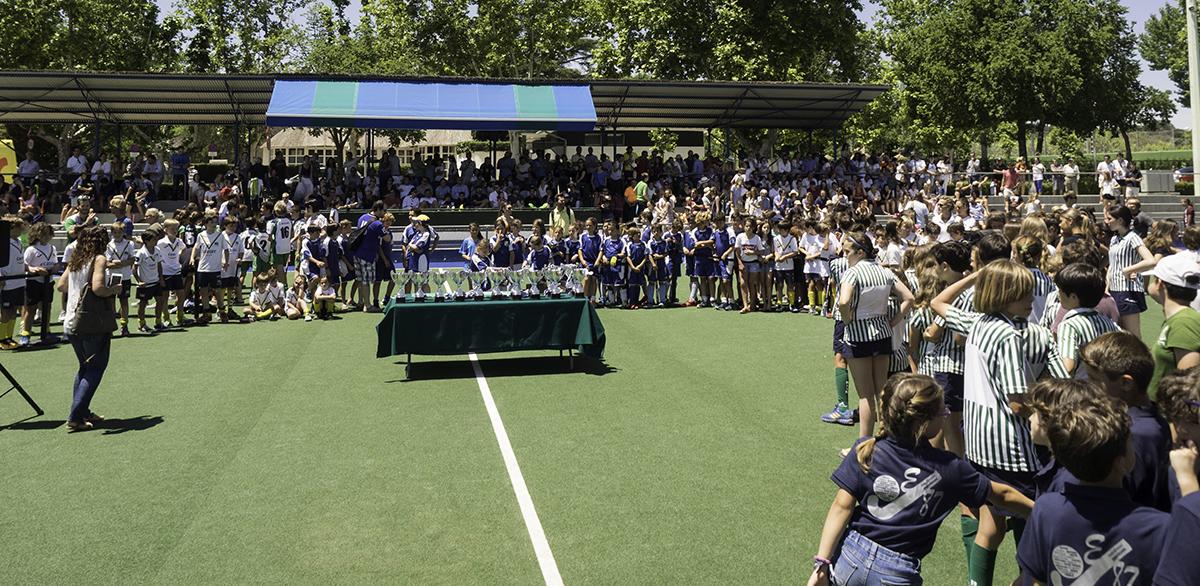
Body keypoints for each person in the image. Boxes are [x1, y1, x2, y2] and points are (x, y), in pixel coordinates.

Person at [806, 374, 1033, 586]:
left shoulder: (867, 449)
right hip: (897, 572)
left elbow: (841, 506)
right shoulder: (950, 468)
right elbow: (1002, 495)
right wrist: (1038, 510)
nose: (946, 415)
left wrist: (821, 564)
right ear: (924, 422)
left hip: (850, 557)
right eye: (942, 412)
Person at [930, 260, 1068, 586]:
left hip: (979, 443)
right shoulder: (1011, 335)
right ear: (1004, 294)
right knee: (1029, 524)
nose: (1031, 300)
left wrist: (975, 276)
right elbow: (1018, 402)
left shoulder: (977, 323)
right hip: (1014, 450)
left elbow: (938, 302)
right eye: (1024, 294)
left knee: (989, 525)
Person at [1016, 392, 1170, 585]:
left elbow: (1035, 580)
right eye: (1131, 441)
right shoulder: (1158, 527)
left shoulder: (1046, 510)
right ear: (1122, 462)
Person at [1080, 331, 1173, 512]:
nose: (1086, 384)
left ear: (1126, 384)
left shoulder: (1133, 433)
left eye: (1093, 379)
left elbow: (1121, 500)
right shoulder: (1153, 418)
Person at [838, 231, 915, 439]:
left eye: (847, 252)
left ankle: (864, 443)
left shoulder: (852, 273)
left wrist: (847, 319)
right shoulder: (885, 272)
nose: (845, 256)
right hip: (882, 333)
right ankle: (886, 438)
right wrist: (893, 320)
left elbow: (843, 302)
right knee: (882, 390)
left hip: (857, 336)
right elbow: (908, 297)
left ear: (860, 252)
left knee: (865, 395)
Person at [56, 226, 119, 432]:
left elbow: (61, 286)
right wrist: (114, 289)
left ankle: (82, 411)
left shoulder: (76, 257)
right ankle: (75, 416)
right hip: (90, 322)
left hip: (71, 321)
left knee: (84, 367)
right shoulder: (99, 258)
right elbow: (98, 288)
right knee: (95, 368)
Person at [1153, 366, 1200, 583]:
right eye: (1176, 419)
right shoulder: (1180, 464)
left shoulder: (1182, 471)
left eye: (1192, 422)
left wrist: (1188, 481)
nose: (1180, 430)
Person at [1144, 253, 1200, 395]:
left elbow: (1186, 386)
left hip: (1166, 413)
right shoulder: (1179, 318)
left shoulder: (1185, 323)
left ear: (1160, 284)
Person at [1053, 263, 1118, 377]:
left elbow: (1068, 367)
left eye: (1061, 291)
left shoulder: (1069, 325)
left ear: (1073, 297)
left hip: (1081, 389)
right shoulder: (1107, 322)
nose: (1058, 294)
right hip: (1102, 387)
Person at [1106, 205, 1154, 338]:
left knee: (1133, 335)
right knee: (1118, 332)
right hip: (1114, 290)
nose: (1107, 221)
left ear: (1120, 220)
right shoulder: (1114, 239)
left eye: (1110, 218)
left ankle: (1143, 358)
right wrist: (1107, 287)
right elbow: (1112, 265)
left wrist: (1130, 269)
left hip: (1128, 290)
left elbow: (1150, 260)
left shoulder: (1133, 238)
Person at [19, 222, 57, 346]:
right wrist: (32, 269)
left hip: (48, 282)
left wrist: (53, 269)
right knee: (31, 309)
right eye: (43, 234)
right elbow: (24, 265)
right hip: (33, 282)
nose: (46, 236)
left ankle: (46, 331)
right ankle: (25, 333)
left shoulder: (52, 248)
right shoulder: (31, 249)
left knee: (47, 307)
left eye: (48, 234)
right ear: (36, 234)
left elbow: (55, 264)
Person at [104, 220, 136, 338]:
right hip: (113, 277)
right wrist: (118, 264)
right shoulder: (108, 245)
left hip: (126, 277)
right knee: (111, 302)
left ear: (123, 232)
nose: (117, 235)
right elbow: (107, 263)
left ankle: (124, 325)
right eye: (115, 232)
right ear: (111, 233)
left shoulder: (129, 244)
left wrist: (121, 263)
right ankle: (111, 326)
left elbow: (132, 260)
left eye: (119, 232)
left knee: (124, 302)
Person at [0, 217, 28, 350]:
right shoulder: (3, 243)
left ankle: (9, 337)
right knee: (5, 311)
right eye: (19, 227)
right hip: (7, 281)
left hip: (19, 281)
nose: (22, 230)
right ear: (11, 228)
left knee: (13, 311)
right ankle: (1, 339)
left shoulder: (19, 241)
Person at [133, 228, 165, 333]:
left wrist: (161, 278)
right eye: (153, 240)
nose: (156, 241)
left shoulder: (157, 250)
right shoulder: (141, 253)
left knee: (160, 301)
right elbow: (134, 269)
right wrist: (139, 281)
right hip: (145, 284)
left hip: (156, 282)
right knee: (143, 304)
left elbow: (159, 265)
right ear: (146, 241)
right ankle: (142, 324)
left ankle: (158, 322)